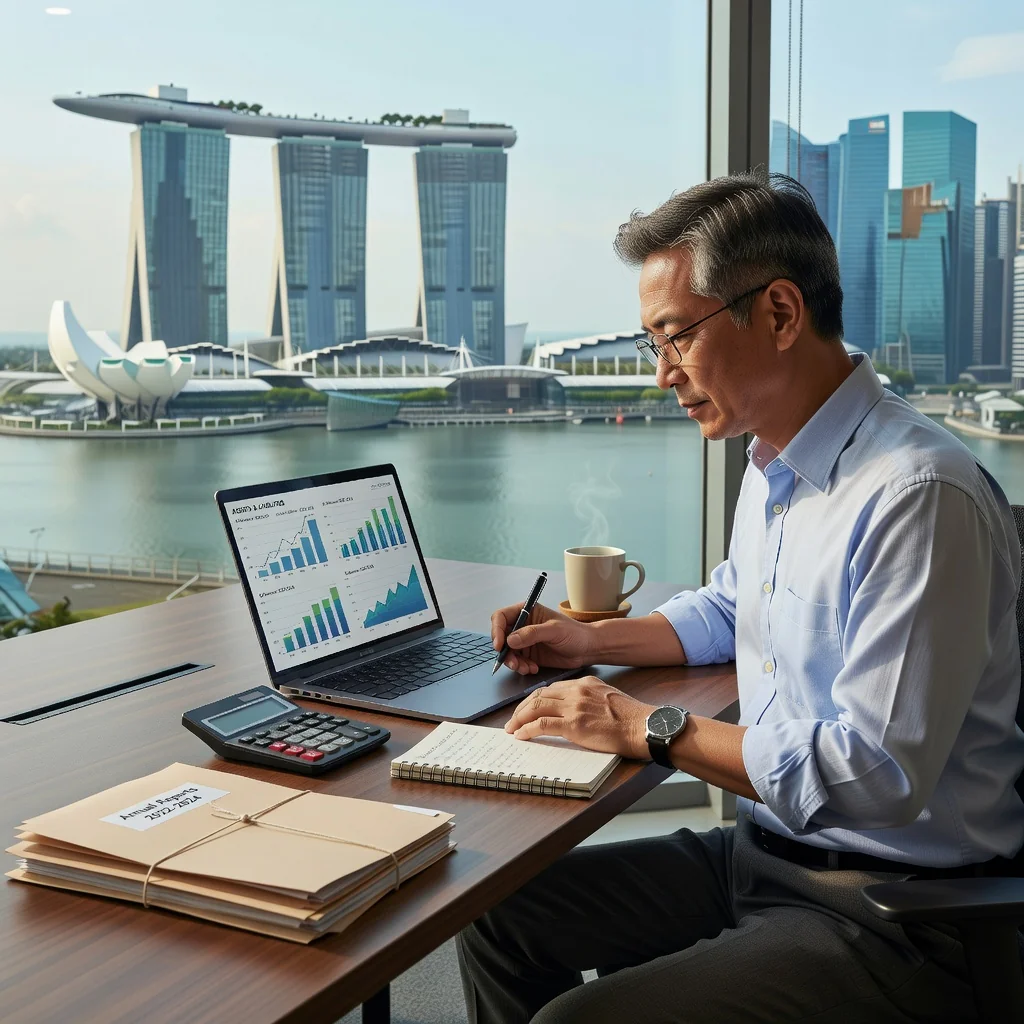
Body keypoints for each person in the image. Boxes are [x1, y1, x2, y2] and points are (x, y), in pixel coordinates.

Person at [456, 172, 1024, 1023]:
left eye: (675, 337)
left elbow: (878, 774)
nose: (661, 375)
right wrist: (588, 642)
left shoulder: (917, 494)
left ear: (781, 314)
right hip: (771, 856)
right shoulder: (774, 463)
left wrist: (643, 726)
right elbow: (732, 608)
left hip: (899, 912)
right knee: (498, 913)